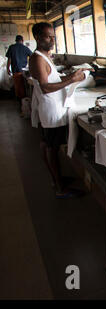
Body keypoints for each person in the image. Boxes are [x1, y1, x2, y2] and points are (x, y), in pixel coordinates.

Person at [29, 22, 88, 199]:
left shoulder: (44, 57)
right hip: (51, 112)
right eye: (48, 36)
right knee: (52, 148)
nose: (52, 40)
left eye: (54, 36)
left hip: (51, 110)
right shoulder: (38, 58)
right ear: (38, 38)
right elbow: (46, 87)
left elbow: (50, 78)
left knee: (47, 144)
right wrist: (72, 79)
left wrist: (73, 76)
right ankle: (60, 188)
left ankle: (57, 179)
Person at [6, 35, 33, 101]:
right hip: (24, 71)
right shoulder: (25, 48)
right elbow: (32, 57)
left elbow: (9, 59)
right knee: (25, 86)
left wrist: (8, 69)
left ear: (16, 40)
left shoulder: (11, 47)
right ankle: (25, 100)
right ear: (22, 41)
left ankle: (20, 101)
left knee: (18, 87)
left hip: (16, 71)